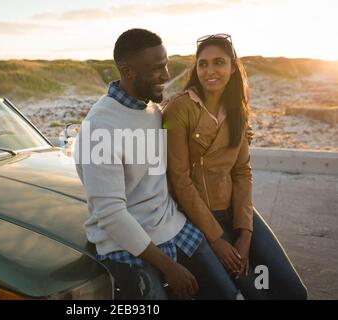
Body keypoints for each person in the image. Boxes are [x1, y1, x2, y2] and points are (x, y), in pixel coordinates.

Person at [74, 29, 241, 300]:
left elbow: (186, 143)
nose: (166, 75)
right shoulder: (99, 130)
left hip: (174, 225)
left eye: (166, 65)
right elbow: (111, 215)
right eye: (156, 70)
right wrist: (169, 268)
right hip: (126, 243)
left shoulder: (151, 109)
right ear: (127, 72)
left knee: (228, 295)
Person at [162, 33, 308, 299]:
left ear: (232, 66)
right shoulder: (180, 108)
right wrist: (216, 239)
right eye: (203, 64)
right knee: (257, 294)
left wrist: (245, 233)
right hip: (202, 219)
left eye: (219, 62)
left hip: (238, 212)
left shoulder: (238, 108)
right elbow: (179, 180)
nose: (210, 71)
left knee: (293, 291)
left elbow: (241, 171)